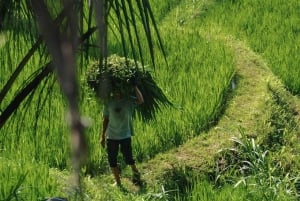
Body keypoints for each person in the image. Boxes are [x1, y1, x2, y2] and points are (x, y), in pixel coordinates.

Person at [100, 85, 144, 187]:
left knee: (128, 157)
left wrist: (135, 86)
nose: (117, 92)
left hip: (125, 135)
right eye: (115, 89)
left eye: (119, 89)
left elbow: (141, 100)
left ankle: (135, 172)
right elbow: (105, 119)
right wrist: (102, 136)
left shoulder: (128, 101)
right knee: (112, 159)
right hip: (111, 136)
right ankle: (118, 182)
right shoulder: (108, 102)